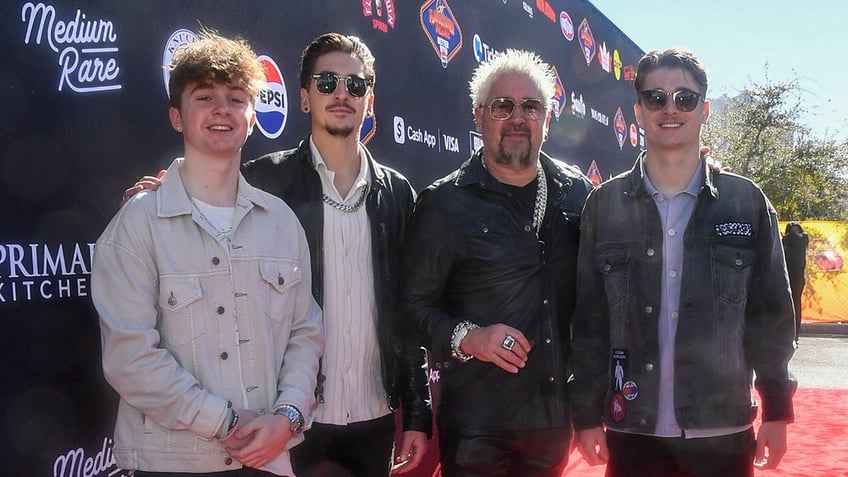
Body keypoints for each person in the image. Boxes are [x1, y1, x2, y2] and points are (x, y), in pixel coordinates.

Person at [123, 32, 432, 476]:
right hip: (287, 421)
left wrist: (416, 414)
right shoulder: (263, 183)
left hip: (373, 417)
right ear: (304, 98)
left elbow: (408, 311)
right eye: (326, 82)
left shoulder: (398, 194)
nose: (342, 93)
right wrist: (166, 190)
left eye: (355, 84)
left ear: (371, 101)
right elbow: (202, 188)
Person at [92, 31, 324, 477]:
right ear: (177, 117)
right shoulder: (138, 225)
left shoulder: (281, 223)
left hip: (268, 460)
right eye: (205, 96)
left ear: (253, 117)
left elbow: (305, 331)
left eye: (236, 98)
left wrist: (289, 417)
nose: (222, 109)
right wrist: (226, 422)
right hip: (171, 465)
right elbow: (131, 359)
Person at [569, 48, 797, 477]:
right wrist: (584, 413)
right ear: (638, 111)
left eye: (684, 99)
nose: (669, 109)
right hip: (632, 430)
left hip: (722, 431)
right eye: (655, 98)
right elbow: (589, 322)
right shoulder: (604, 207)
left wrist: (777, 411)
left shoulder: (746, 202)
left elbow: (772, 317)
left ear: (705, 109)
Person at [401, 49, 593, 477]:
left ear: (547, 117)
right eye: (502, 106)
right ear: (479, 116)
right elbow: (411, 308)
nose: (517, 117)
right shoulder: (444, 202)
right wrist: (469, 337)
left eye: (530, 106)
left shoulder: (576, 192)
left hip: (553, 422)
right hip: (476, 427)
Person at [783, 221, 809, 343]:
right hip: (786, 275)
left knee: (796, 304)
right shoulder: (787, 240)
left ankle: (795, 333)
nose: (794, 233)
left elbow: (799, 239)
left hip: (798, 277)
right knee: (786, 304)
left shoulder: (803, 238)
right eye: (792, 230)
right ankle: (787, 332)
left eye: (796, 230)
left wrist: (790, 236)